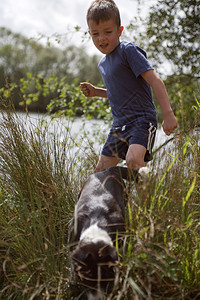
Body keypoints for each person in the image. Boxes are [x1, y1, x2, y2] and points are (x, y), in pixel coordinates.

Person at [80, 0, 177, 174]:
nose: (101, 38)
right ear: (90, 33)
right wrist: (96, 92)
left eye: (108, 32)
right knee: (100, 171)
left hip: (141, 120)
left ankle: (149, 196)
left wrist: (168, 114)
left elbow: (155, 80)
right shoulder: (103, 64)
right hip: (119, 126)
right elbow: (118, 93)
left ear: (119, 31)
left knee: (133, 160)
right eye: (95, 34)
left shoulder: (128, 51)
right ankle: (119, 200)